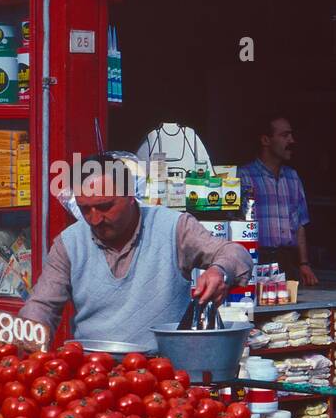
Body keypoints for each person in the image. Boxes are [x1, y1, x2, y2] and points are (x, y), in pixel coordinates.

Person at [20, 151, 252, 352]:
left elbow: (235, 253)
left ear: (131, 195)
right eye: (85, 209)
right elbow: (42, 305)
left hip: (163, 374)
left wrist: (220, 271)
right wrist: (24, 340)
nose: (95, 219)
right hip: (92, 376)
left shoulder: (173, 227)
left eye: (105, 206)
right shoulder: (69, 243)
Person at [237, 115, 319, 286]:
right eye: (285, 135)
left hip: (287, 261)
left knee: (287, 311)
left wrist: (304, 264)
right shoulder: (243, 176)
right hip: (256, 259)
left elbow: (299, 224)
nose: (291, 140)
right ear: (266, 140)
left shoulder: (292, 177)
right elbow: (236, 223)